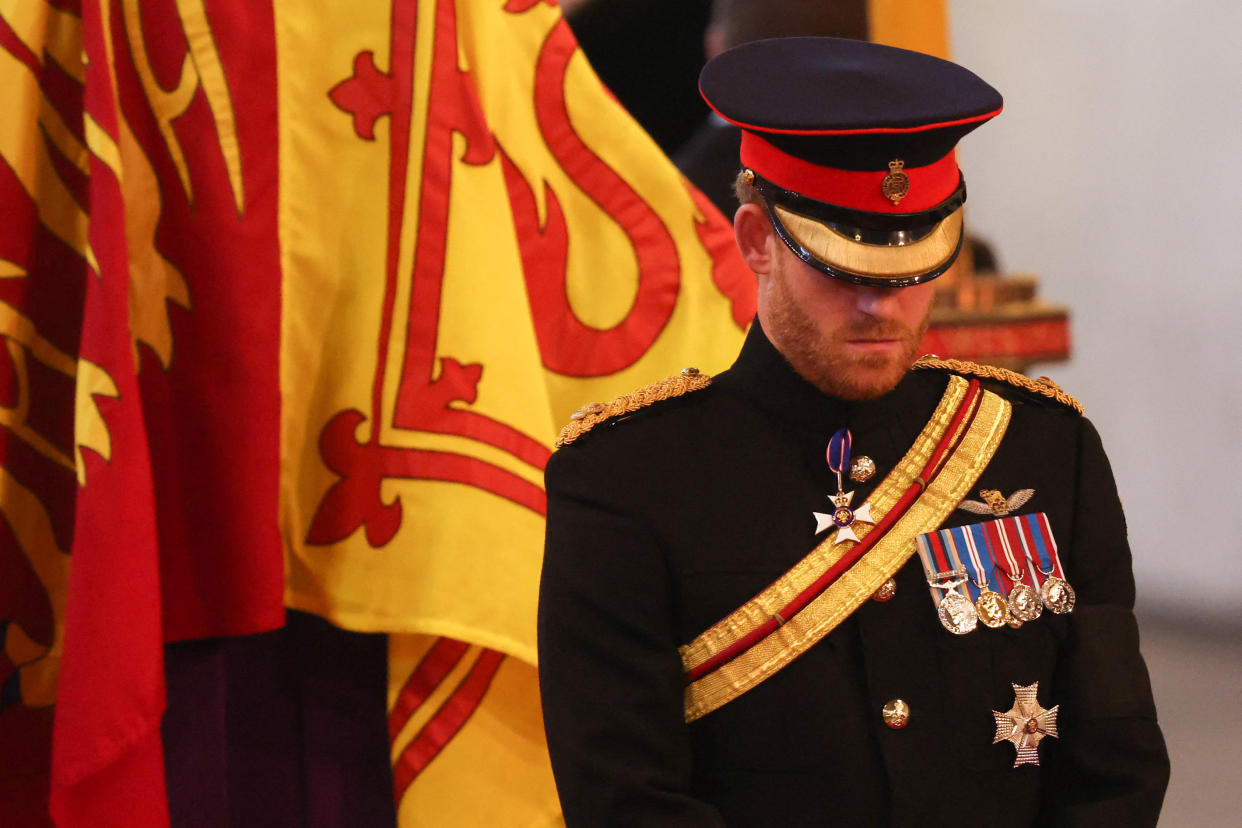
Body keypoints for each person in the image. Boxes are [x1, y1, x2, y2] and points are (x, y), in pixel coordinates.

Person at [538, 37, 1169, 827]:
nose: (882, 307)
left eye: (910, 273)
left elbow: (1114, 764)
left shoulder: (1045, 449)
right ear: (757, 242)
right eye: (842, 268)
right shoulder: (625, 479)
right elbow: (624, 798)